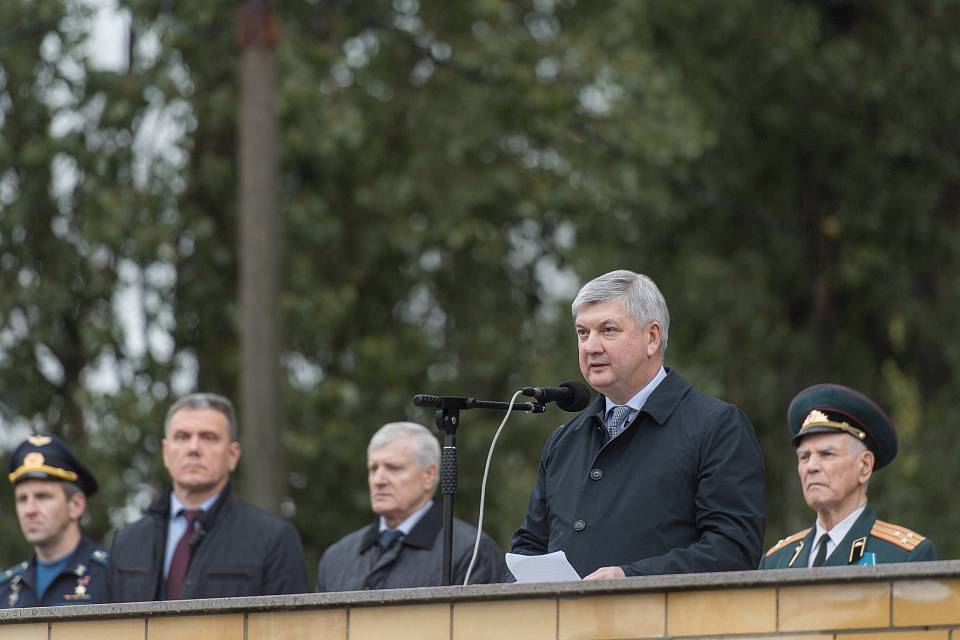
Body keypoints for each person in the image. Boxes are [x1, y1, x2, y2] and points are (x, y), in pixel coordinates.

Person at [511, 269, 766, 579]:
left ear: (652, 337)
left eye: (607, 330)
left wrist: (629, 578)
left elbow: (733, 550)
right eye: (582, 332)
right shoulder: (564, 440)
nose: (590, 346)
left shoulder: (717, 427)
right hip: (565, 626)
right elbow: (529, 547)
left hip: (664, 624)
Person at [106, 392, 308, 601]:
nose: (193, 448)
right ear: (166, 453)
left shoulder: (274, 539)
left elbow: (290, 630)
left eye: (208, 437)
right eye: (182, 437)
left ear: (233, 455)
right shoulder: (127, 541)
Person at [760, 384, 936, 568]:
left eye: (827, 454)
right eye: (804, 457)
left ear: (865, 466)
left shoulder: (903, 556)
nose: (811, 467)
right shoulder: (776, 561)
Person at [316, 422, 505, 591]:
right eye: (373, 469)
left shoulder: (472, 552)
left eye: (394, 468)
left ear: (429, 476)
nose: (378, 480)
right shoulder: (337, 557)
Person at [1, 434, 109, 607]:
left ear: (76, 505)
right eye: (22, 499)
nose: (30, 510)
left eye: (43, 497)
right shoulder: (4, 589)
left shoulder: (112, 578)